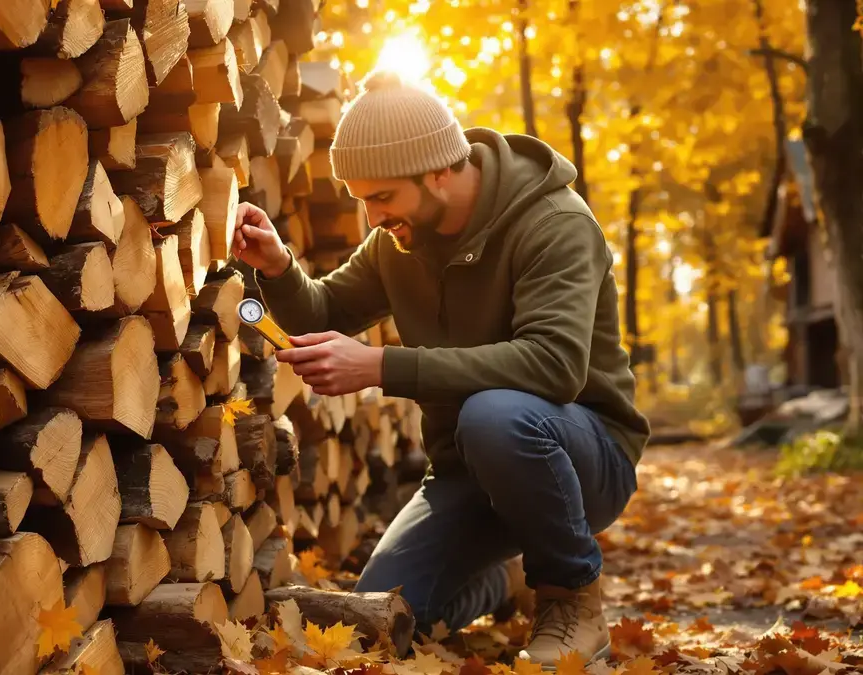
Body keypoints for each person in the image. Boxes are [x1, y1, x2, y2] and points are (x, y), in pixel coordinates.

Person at [231, 68, 650, 667]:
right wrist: (278, 267)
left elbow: (555, 366)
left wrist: (382, 366)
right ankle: (505, 584)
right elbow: (326, 308)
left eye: (382, 197)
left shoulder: (554, 225)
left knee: (494, 416)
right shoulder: (397, 241)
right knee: (384, 613)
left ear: (440, 170)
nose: (373, 217)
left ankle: (570, 598)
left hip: (584, 459)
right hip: (466, 471)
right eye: (362, 200)